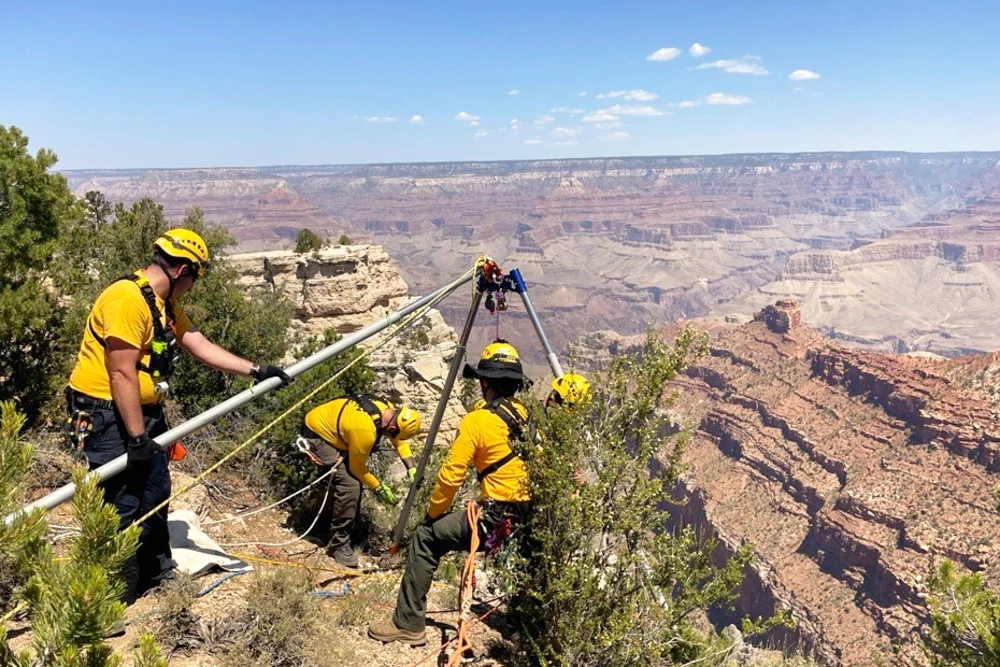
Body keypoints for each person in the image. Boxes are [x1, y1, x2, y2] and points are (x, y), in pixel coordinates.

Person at [66, 228, 292, 600]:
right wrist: (137, 439)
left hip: (143, 413)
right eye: (194, 278)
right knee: (119, 502)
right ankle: (100, 596)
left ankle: (157, 572)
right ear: (182, 270)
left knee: (155, 492)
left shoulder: (162, 302)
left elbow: (195, 342)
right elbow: (120, 371)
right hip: (106, 415)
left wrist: (254, 369)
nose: (192, 286)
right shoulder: (126, 299)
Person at [368, 340, 532, 646]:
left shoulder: (478, 420)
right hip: (531, 519)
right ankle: (531, 626)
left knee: (425, 539)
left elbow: (451, 475)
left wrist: (432, 515)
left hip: (496, 519)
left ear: (485, 382)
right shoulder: (530, 417)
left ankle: (408, 623)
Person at [295, 394, 421, 568]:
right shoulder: (365, 430)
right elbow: (358, 469)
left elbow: (398, 440)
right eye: (392, 432)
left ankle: (324, 519)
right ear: (392, 426)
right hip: (317, 435)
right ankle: (338, 545)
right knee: (350, 484)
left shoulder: (388, 409)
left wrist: (411, 467)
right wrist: (379, 488)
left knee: (346, 480)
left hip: (335, 430)